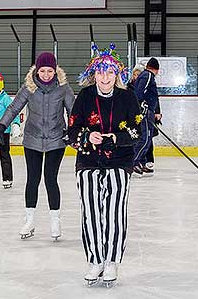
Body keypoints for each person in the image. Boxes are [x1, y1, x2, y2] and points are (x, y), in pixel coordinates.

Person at [68, 43, 141, 285]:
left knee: (114, 212)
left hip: (119, 163)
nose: (105, 77)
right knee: (90, 212)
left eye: (110, 72)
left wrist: (115, 139)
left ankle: (111, 261)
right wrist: (87, 136)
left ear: (117, 74)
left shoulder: (128, 97)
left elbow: (138, 132)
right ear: (94, 74)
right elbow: (72, 129)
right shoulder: (85, 97)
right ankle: (95, 260)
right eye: (100, 72)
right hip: (88, 162)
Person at [0, 52, 74, 241]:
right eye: (42, 70)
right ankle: (29, 220)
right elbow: (13, 108)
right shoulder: (29, 87)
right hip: (32, 140)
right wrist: (1, 127)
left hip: (56, 140)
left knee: (50, 179)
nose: (46, 74)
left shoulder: (63, 89)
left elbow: (73, 111)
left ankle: (55, 220)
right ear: (37, 70)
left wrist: (73, 130)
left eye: (50, 71)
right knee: (33, 179)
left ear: (56, 71)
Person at [128, 63, 162, 176]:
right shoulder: (147, 76)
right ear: (156, 69)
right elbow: (139, 93)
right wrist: (142, 105)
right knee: (144, 139)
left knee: (147, 140)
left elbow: (152, 96)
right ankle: (132, 163)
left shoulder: (146, 76)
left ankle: (138, 162)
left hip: (148, 112)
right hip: (145, 114)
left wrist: (155, 110)